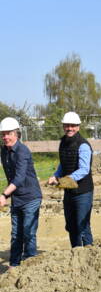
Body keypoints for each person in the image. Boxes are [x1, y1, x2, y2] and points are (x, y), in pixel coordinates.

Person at [0, 117, 42, 268]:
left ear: (16, 134)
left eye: (8, 134)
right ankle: (14, 265)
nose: (5, 137)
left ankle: (30, 265)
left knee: (28, 232)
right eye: (3, 134)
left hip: (31, 197)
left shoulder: (22, 151)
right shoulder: (3, 151)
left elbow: (19, 178)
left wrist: (4, 195)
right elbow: (9, 176)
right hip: (17, 199)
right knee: (15, 234)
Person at [48, 112, 94, 248]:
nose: (70, 128)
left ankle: (89, 255)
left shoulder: (83, 145)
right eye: (67, 125)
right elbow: (63, 163)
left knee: (83, 226)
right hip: (69, 192)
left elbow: (84, 169)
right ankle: (75, 254)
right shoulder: (63, 142)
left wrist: (65, 180)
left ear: (78, 127)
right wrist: (56, 175)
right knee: (71, 226)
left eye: (73, 126)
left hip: (83, 192)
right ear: (63, 126)